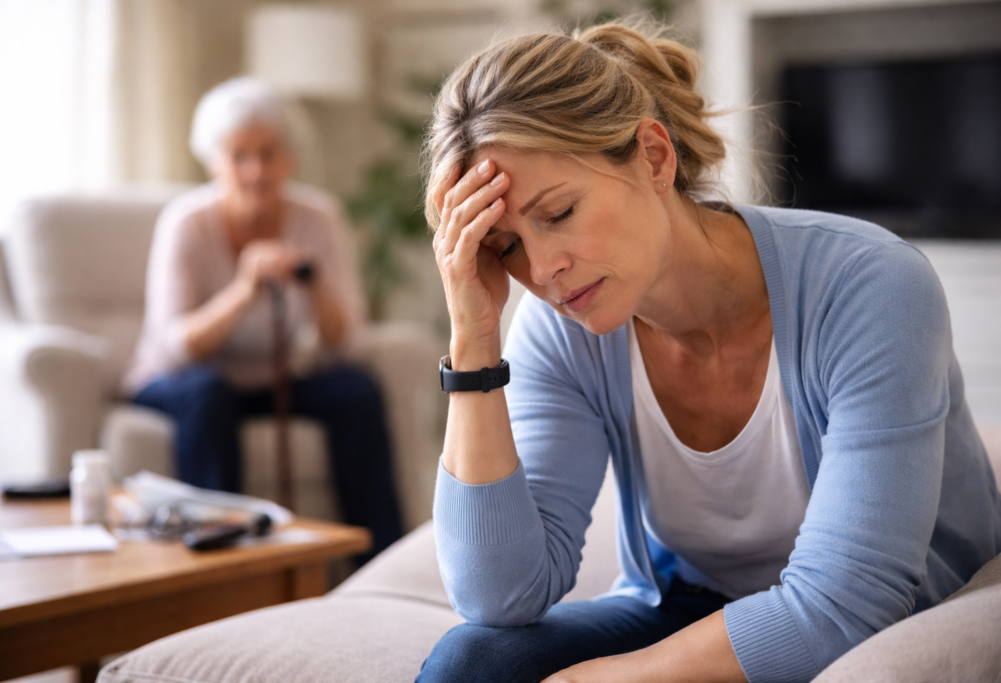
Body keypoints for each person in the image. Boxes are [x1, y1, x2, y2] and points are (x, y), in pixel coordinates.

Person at [416, 20, 1001, 683]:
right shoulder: (560, 326)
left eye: (558, 213)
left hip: (891, 625)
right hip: (697, 610)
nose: (545, 267)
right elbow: (501, 595)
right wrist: (473, 342)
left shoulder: (870, 284)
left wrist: (595, 680)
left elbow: (848, 604)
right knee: (474, 660)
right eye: (507, 245)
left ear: (654, 157)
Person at [123, 77, 403, 558]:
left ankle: (378, 559)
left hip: (273, 377)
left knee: (356, 389)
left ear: (290, 158)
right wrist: (244, 288)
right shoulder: (186, 223)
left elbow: (347, 344)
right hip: (179, 382)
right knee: (208, 392)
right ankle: (219, 559)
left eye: (268, 154)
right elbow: (176, 348)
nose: (256, 171)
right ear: (214, 163)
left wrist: (315, 286)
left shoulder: (319, 217)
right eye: (239, 156)